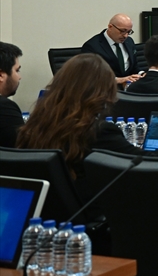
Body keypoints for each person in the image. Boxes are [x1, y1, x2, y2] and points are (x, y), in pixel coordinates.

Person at [16, 53, 138, 189]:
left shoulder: (35, 126)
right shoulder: (98, 132)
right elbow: (144, 162)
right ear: (103, 92)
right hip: (89, 201)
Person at [81, 13, 143, 85]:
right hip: (106, 87)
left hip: (129, 87)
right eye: (122, 31)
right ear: (110, 27)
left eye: (129, 32)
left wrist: (142, 74)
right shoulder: (92, 46)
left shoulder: (129, 41)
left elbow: (134, 66)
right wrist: (118, 80)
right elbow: (91, 76)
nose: (126, 36)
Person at [0, 42, 23, 147]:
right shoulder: (4, 107)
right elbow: (25, 149)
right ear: (1, 75)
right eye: (17, 70)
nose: (19, 77)